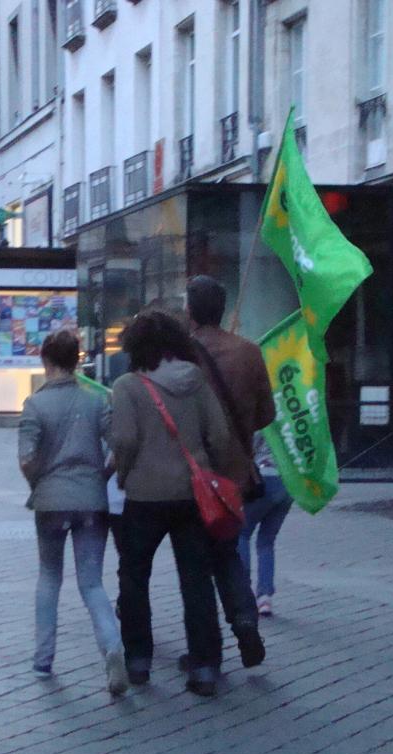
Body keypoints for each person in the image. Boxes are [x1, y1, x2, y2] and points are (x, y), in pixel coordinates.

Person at [111, 310, 236, 697]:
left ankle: (138, 660)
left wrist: (124, 474)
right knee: (196, 580)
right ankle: (204, 666)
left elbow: (125, 440)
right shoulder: (196, 380)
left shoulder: (128, 386)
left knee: (134, 577)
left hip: (144, 495)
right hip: (192, 495)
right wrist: (207, 469)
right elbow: (219, 434)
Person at [17, 330, 127, 696]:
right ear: (77, 360)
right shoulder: (96, 402)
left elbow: (26, 459)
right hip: (91, 499)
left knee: (49, 577)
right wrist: (103, 475)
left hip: (50, 501)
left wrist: (39, 484)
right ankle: (112, 646)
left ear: (45, 361)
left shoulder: (34, 405)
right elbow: (119, 449)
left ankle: (43, 660)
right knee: (92, 582)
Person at [186, 275, 274, 667]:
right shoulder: (249, 352)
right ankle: (245, 622)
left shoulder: (181, 355)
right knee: (228, 555)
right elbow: (267, 414)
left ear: (190, 310)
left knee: (195, 565)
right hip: (234, 475)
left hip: (193, 474)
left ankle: (207, 650)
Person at [236, 435, 292, 617]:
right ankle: (265, 597)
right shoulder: (292, 417)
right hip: (288, 483)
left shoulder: (264, 416)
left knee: (242, 534)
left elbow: (246, 446)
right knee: (267, 542)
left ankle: (243, 593)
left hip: (263, 479)